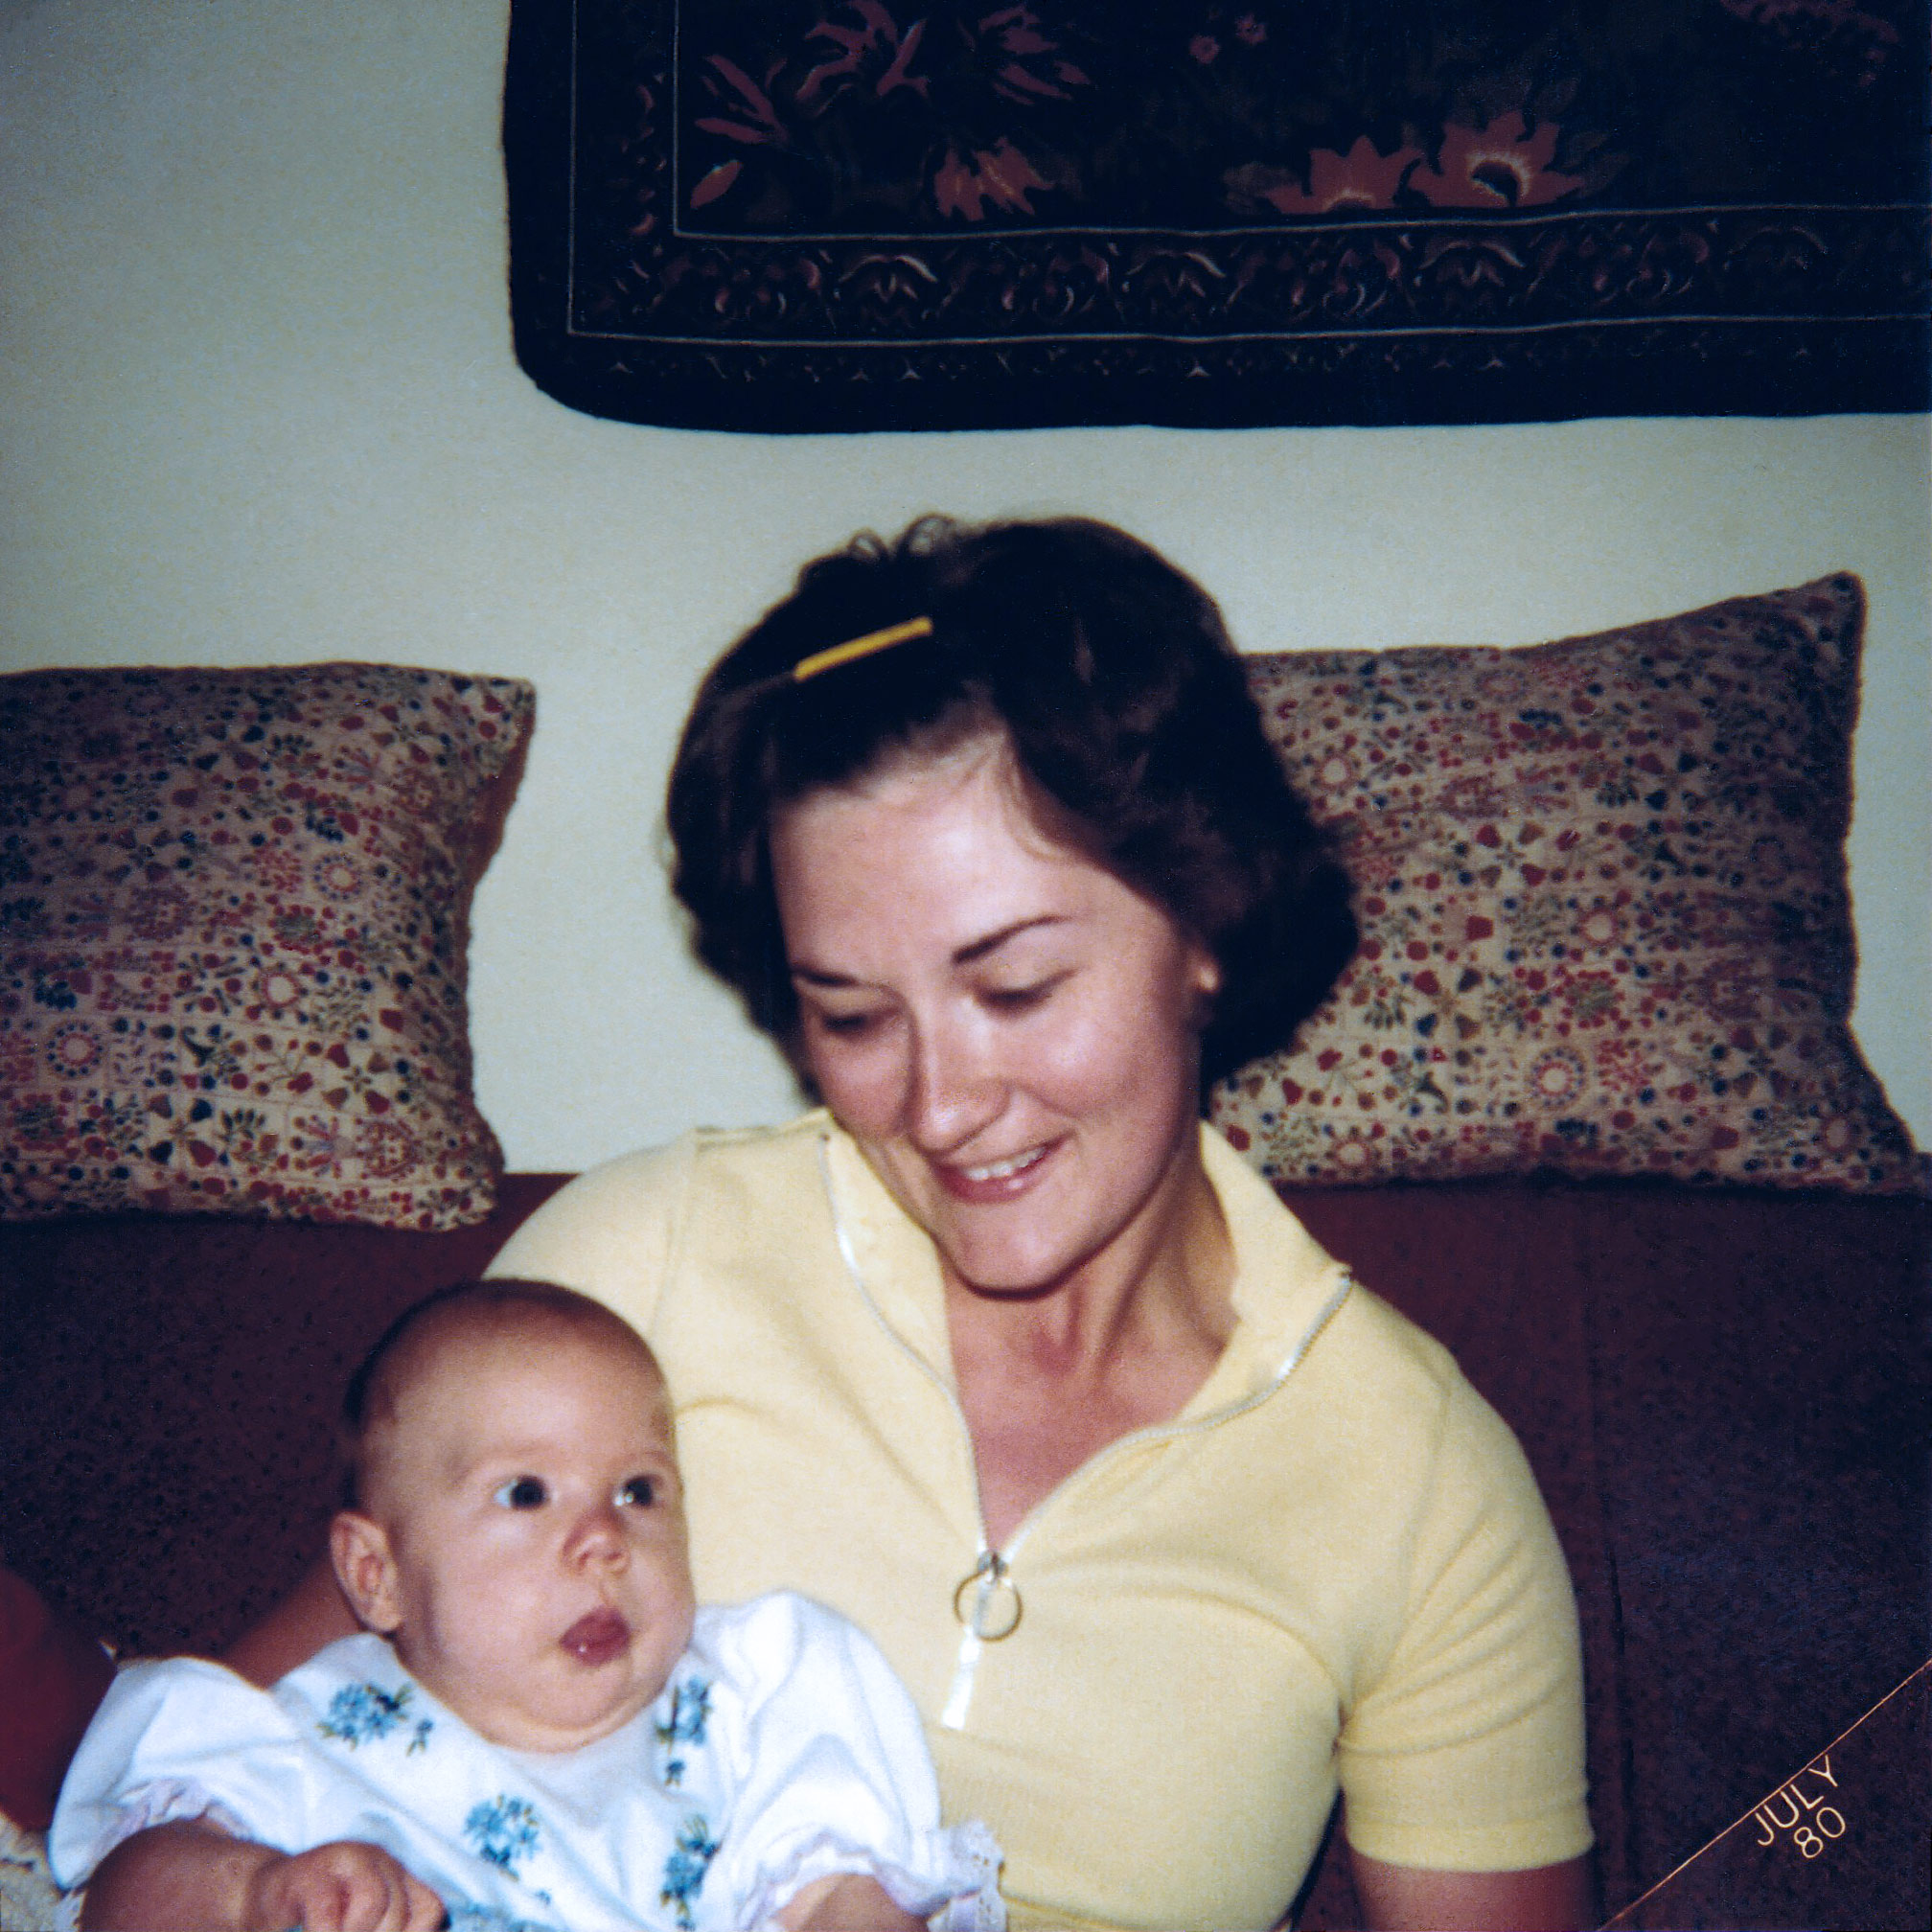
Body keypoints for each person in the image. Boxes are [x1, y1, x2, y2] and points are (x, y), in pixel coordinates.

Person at [87, 516, 1595, 1932]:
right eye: (855, 1016)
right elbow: (197, 1796)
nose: (940, 1106)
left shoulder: (1418, 1481)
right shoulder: (640, 1262)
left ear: (1205, 926)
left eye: (1016, 987)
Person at [54, 1280, 1001, 1932]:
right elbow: (124, 1896)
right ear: (375, 1574)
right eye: (526, 1493)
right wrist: (254, 1894)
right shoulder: (312, 1734)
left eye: (638, 1490)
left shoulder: (751, 1702)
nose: (604, 1540)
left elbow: (846, 1895)